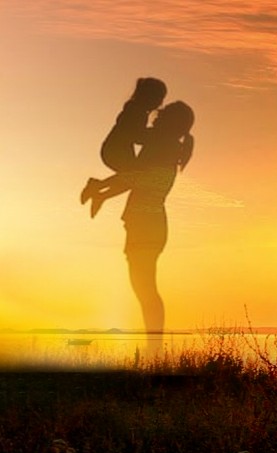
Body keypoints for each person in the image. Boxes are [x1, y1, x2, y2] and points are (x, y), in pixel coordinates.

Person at [114, 100, 195, 358]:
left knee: (145, 288)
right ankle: (154, 350)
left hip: (146, 224)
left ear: (170, 122)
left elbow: (135, 177)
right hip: (147, 223)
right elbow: (135, 169)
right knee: (144, 288)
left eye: (162, 115)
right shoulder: (163, 144)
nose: (156, 117)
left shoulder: (163, 145)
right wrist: (102, 190)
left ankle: (154, 352)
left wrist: (101, 189)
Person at [80, 77, 172, 218]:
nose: (160, 102)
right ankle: (97, 188)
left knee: (133, 179)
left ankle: (100, 194)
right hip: (115, 151)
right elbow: (136, 136)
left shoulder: (136, 110)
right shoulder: (136, 111)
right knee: (135, 178)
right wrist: (156, 135)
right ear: (149, 96)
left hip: (116, 150)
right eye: (159, 97)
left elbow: (135, 135)